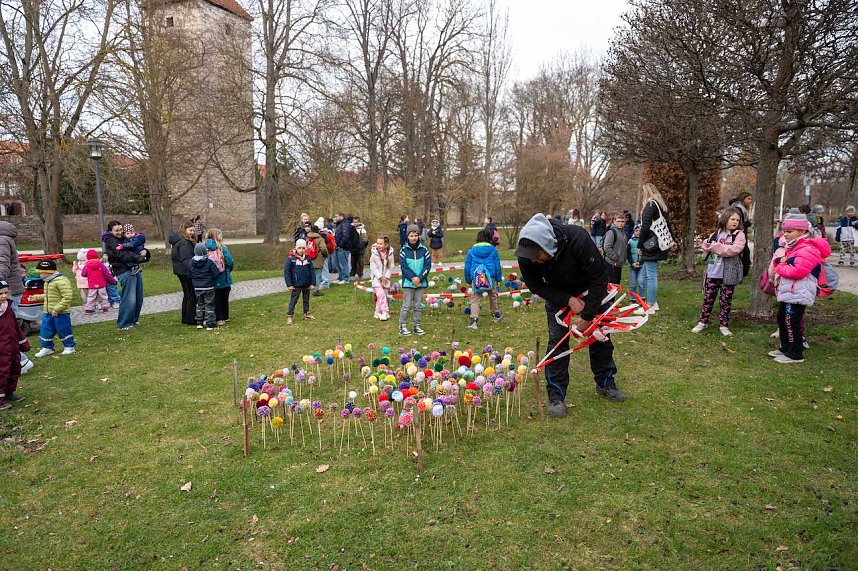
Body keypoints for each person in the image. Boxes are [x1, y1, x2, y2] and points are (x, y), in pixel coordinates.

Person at [516, 213, 626, 416]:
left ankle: (606, 383)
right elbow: (535, 285)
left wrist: (587, 317)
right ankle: (556, 396)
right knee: (557, 343)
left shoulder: (578, 238)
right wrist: (567, 300)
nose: (533, 260)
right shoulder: (526, 254)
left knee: (600, 337)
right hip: (557, 294)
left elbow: (599, 277)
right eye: (530, 256)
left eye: (537, 255)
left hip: (590, 290)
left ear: (548, 244)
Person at [769, 212, 831, 363]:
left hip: (798, 292)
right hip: (789, 291)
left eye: (789, 231)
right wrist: (781, 262)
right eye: (784, 231)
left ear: (802, 231)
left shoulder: (807, 249)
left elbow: (798, 271)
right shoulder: (793, 247)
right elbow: (783, 261)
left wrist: (780, 266)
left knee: (791, 321)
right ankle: (785, 347)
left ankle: (795, 353)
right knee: (782, 318)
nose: (786, 234)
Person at [691, 208, 746, 337]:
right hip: (712, 272)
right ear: (725, 219)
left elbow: (734, 249)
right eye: (732, 219)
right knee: (708, 299)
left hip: (728, 274)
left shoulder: (739, 235)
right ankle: (702, 322)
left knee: (725, 301)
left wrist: (717, 247)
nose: (735, 222)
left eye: (737, 220)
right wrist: (706, 244)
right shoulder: (716, 233)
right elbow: (707, 248)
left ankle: (724, 325)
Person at [104, 220, 150, 331]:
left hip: (135, 268)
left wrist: (145, 252)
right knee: (129, 297)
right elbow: (122, 254)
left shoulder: (125, 238)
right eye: (116, 231)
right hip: (124, 270)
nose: (119, 232)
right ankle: (124, 323)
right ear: (110, 231)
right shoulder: (111, 240)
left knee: (138, 296)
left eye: (121, 229)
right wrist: (138, 257)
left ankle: (133, 319)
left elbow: (136, 245)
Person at [0, 221, 34, 373]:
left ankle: (21, 361)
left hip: (8, 289)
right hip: (8, 288)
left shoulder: (2, 240)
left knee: (6, 329)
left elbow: (2, 263)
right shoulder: (5, 238)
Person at [637, 183, 673, 312]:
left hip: (651, 244)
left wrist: (639, 244)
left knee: (650, 276)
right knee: (643, 277)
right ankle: (651, 302)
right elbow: (668, 225)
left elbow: (645, 227)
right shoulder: (661, 206)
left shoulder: (650, 205)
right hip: (659, 243)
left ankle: (650, 304)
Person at [31, 259, 75, 357]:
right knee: (46, 329)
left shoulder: (61, 281)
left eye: (41, 273)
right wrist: (37, 297)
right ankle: (47, 347)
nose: (40, 275)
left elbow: (67, 297)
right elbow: (48, 295)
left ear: (49, 272)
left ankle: (69, 346)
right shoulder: (47, 281)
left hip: (61, 313)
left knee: (63, 329)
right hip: (48, 312)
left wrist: (58, 309)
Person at [0, 279, 30, 410]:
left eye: (6, 293)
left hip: (12, 347)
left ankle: (9, 393)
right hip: (1, 349)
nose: (4, 296)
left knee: (14, 368)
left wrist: (23, 343)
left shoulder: (8, 308)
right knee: (2, 372)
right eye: (0, 294)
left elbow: (16, 328)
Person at [464, 229, 503, 330]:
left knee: (475, 299)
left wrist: (468, 280)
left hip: (477, 277)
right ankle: (496, 314)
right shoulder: (493, 250)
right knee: (492, 295)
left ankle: (473, 321)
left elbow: (467, 266)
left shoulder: (472, 250)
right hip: (490, 277)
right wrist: (498, 278)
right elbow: (497, 265)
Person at [399, 224, 431, 336]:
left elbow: (427, 266)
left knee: (418, 306)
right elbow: (404, 267)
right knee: (407, 305)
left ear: (418, 236)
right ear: (407, 236)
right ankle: (403, 326)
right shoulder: (403, 251)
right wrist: (413, 278)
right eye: (411, 235)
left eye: (416, 235)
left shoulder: (424, 250)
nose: (414, 238)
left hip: (421, 283)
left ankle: (416, 325)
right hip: (408, 283)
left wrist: (420, 278)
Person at [187, 242, 222, 330]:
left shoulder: (191, 262)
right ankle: (210, 323)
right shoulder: (209, 262)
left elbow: (189, 274)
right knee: (209, 304)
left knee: (199, 304)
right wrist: (211, 279)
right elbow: (216, 273)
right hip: (208, 286)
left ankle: (199, 322)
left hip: (197, 287)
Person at [169, 221, 197, 325]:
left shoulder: (180, 241)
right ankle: (191, 318)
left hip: (181, 271)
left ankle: (186, 317)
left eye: (193, 230)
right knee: (191, 294)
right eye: (190, 230)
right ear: (184, 230)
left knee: (187, 294)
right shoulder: (184, 242)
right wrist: (193, 271)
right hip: (185, 271)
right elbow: (186, 259)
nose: (192, 232)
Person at [284, 239, 316, 324]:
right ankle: (290, 315)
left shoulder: (308, 259)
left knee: (306, 299)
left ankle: (306, 313)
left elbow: (312, 271)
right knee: (294, 300)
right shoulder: (291, 259)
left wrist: (313, 283)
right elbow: (287, 272)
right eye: (299, 248)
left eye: (303, 248)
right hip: (296, 284)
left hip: (306, 284)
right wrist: (289, 284)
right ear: (296, 248)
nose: (301, 250)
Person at [206, 228, 234, 325]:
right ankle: (225, 316)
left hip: (211, 278)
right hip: (223, 277)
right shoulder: (222, 248)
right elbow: (230, 261)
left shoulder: (205, 248)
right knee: (224, 297)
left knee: (216, 299)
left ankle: (219, 318)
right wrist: (228, 269)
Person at [81, 249, 115, 313]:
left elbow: (83, 274)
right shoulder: (101, 265)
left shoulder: (87, 265)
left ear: (87, 257)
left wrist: (89, 275)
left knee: (91, 297)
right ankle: (105, 308)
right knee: (103, 296)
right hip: (101, 284)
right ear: (97, 256)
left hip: (92, 284)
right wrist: (113, 281)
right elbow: (107, 274)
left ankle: (89, 309)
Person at [369, 235, 394, 321]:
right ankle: (385, 312)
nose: (378, 245)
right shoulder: (374, 254)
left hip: (386, 279)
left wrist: (386, 277)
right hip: (376, 279)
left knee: (383, 296)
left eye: (381, 243)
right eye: (377, 243)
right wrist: (380, 277)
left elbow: (391, 267)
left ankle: (377, 311)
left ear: (386, 245)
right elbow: (373, 267)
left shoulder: (390, 254)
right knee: (381, 295)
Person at [729, 192, 753, 276]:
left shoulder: (739, 207)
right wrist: (748, 223)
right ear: (743, 199)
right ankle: (742, 272)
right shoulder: (738, 208)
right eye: (748, 199)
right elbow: (738, 223)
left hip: (740, 233)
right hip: (739, 234)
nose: (750, 201)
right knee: (743, 252)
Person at [602, 213, 628, 285]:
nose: (620, 223)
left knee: (615, 287)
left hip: (619, 265)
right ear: (614, 221)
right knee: (610, 288)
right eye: (618, 221)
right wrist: (615, 257)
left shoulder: (623, 233)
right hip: (611, 264)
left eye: (622, 221)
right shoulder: (611, 232)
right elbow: (607, 247)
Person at [305, 223, 329, 296]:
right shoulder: (320, 239)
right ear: (318, 231)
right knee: (318, 275)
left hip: (309, 259)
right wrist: (326, 255)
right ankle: (315, 290)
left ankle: (309, 288)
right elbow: (324, 249)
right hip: (318, 260)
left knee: (310, 274)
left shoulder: (308, 238)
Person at [333, 212, 353, 284]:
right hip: (338, 247)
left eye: (337, 216)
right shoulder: (339, 224)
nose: (335, 218)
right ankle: (340, 277)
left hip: (343, 247)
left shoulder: (345, 224)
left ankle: (345, 278)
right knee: (338, 264)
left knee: (343, 263)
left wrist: (340, 245)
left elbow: (345, 236)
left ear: (341, 216)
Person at [627, 224, 643, 296]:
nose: (638, 232)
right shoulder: (630, 241)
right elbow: (628, 254)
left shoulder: (644, 241)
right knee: (633, 283)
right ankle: (632, 298)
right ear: (634, 231)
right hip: (632, 265)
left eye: (640, 231)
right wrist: (632, 263)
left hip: (642, 265)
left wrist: (640, 262)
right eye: (637, 231)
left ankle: (643, 297)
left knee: (641, 282)